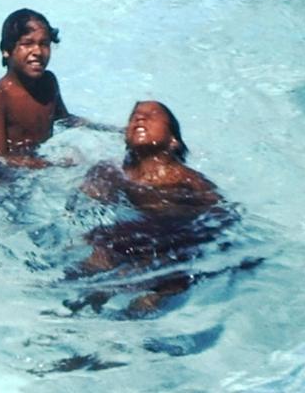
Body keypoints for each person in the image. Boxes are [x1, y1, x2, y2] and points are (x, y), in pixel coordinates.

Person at [69, 100, 239, 315]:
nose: (140, 118)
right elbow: (82, 209)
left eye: (152, 114)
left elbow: (225, 215)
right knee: (98, 253)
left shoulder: (188, 181)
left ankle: (131, 320)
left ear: (173, 141)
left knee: (163, 283)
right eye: (134, 116)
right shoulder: (111, 171)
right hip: (130, 241)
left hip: (177, 246)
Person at [0, 8, 112, 167]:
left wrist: (108, 130)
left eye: (44, 44)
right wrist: (51, 164)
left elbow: (66, 120)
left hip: (40, 164)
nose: (38, 51)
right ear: (6, 50)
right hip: (6, 179)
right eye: (27, 43)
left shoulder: (48, 82)